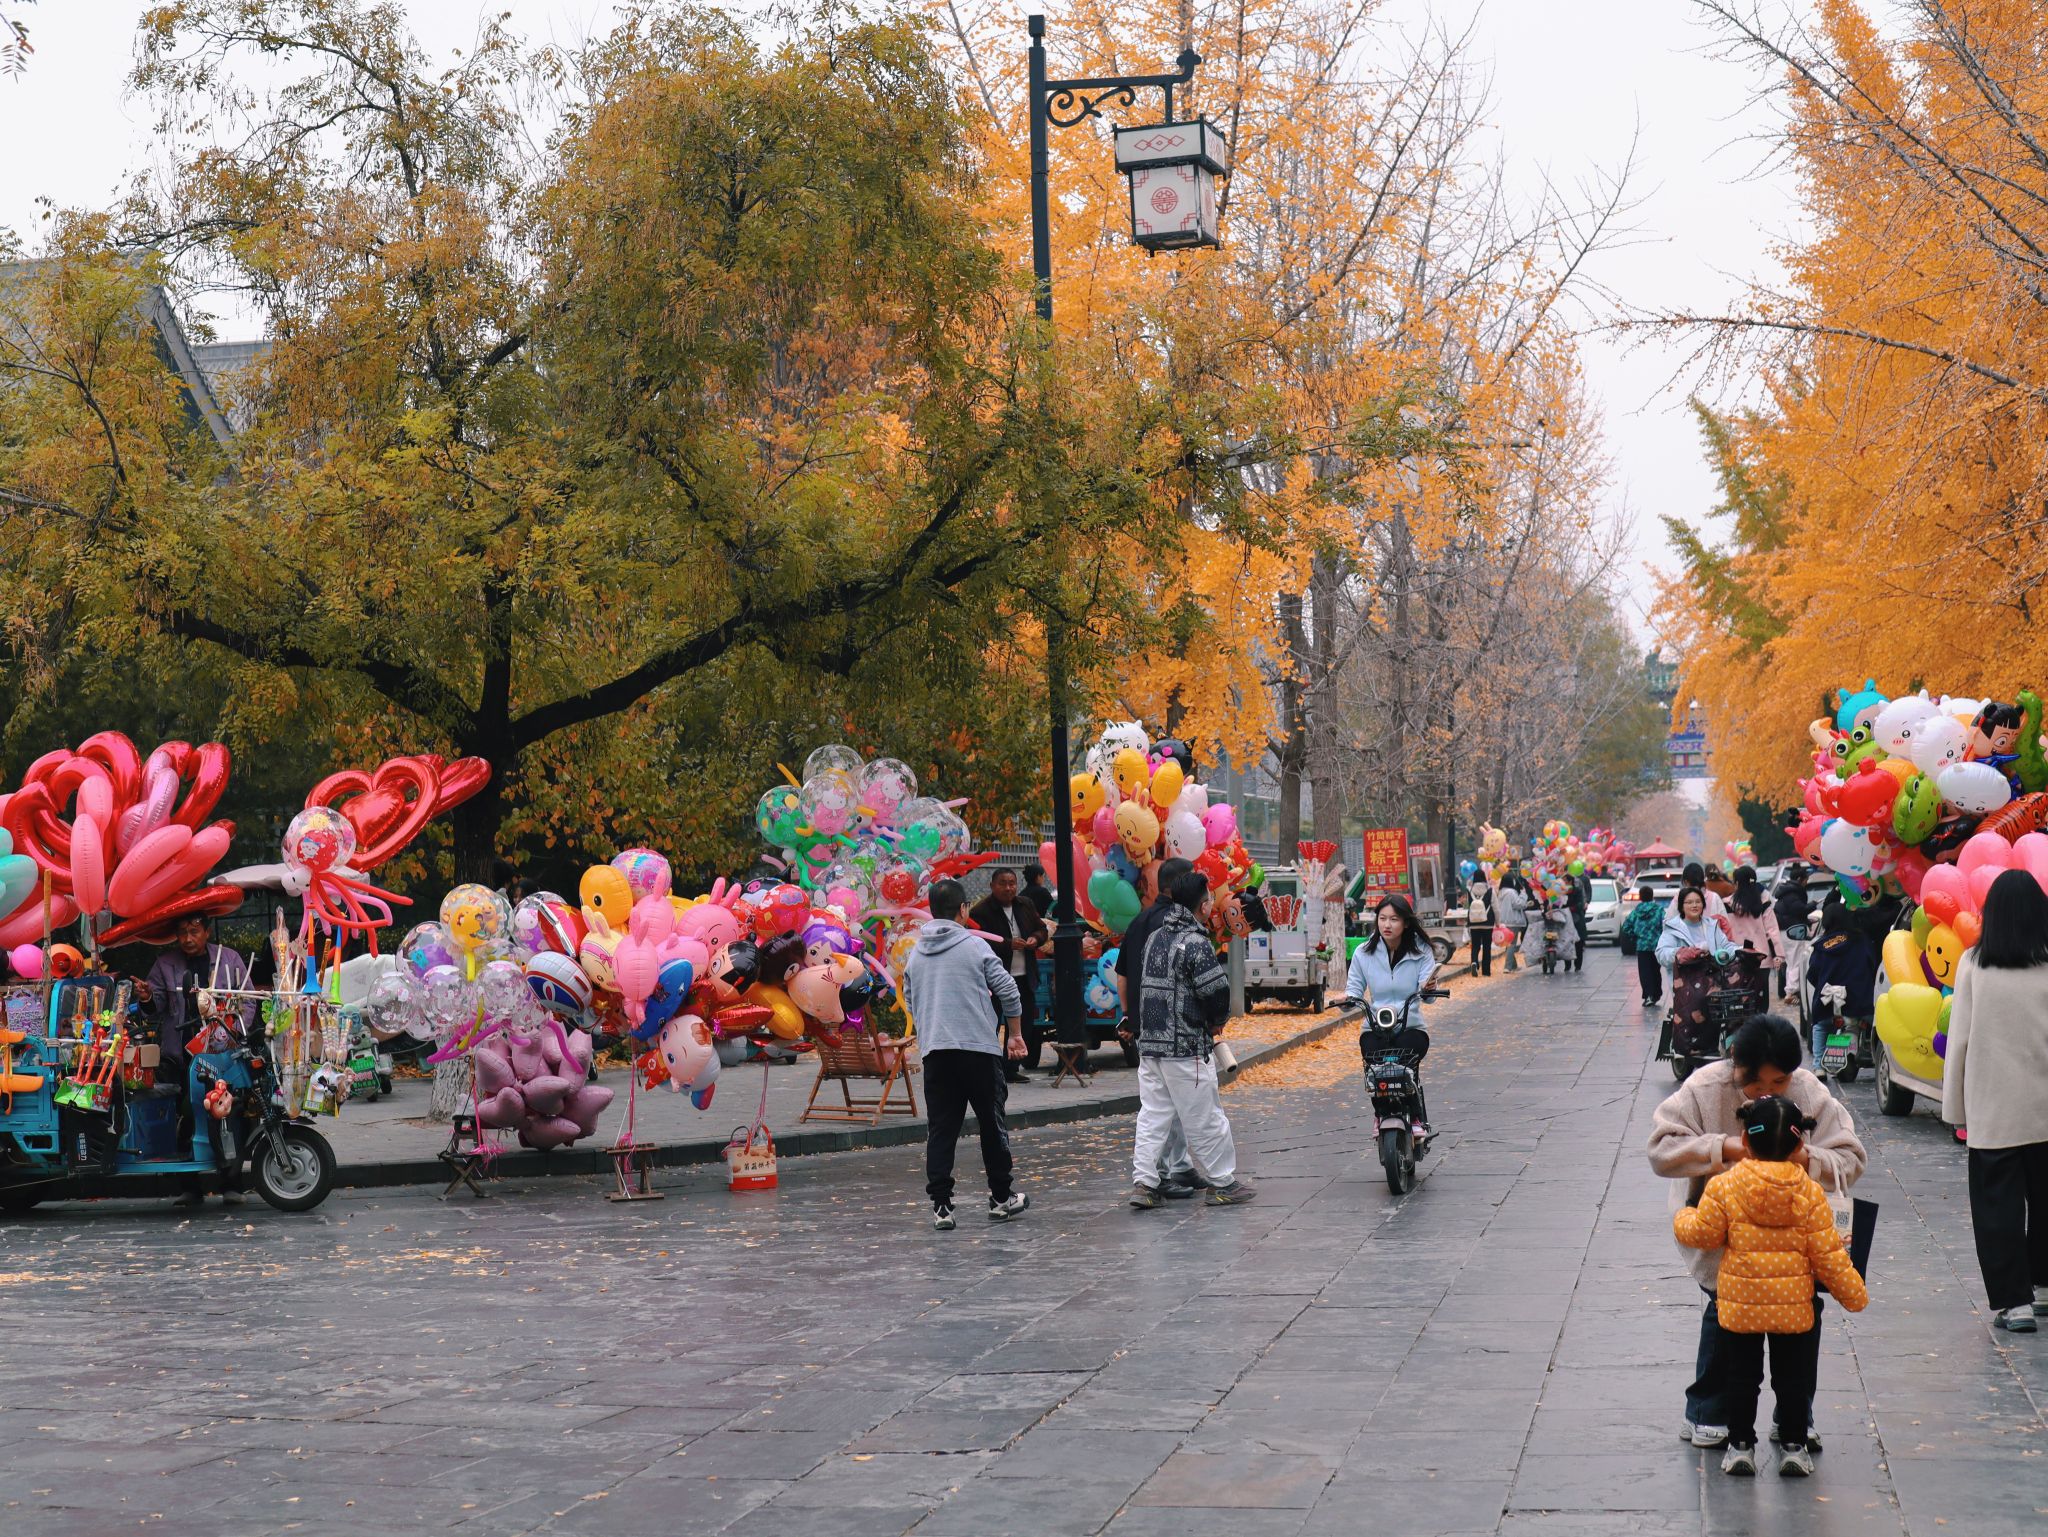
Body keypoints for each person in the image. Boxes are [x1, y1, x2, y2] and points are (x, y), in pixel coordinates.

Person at [1648, 1015, 1866, 1460]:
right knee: (1724, 1311)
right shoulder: (1704, 1087)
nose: (1767, 1092)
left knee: (1801, 1322)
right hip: (1726, 1225)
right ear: (1735, 1064)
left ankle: (1795, 1418)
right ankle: (1709, 1410)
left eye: (1779, 1081)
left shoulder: (1808, 1092)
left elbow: (1850, 1156)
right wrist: (1725, 1149)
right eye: (1754, 1082)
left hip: (1793, 1237)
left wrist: (1804, 1159)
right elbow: (1661, 1149)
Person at [1674, 1094, 1868, 1477]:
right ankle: (1794, 1446)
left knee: (1741, 1378)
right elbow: (1828, 1253)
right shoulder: (1810, 1192)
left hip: (1740, 1307)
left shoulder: (1724, 1186)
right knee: (1792, 1378)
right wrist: (1855, 1295)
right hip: (1793, 1308)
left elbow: (1704, 1234)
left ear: (1744, 1139)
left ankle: (1740, 1447)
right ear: (1799, 1146)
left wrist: (1684, 1216)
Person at [1941, 868, 2048, 1334]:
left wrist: (1954, 1109)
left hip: (1992, 1108)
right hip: (2044, 1107)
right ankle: (2045, 1287)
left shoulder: (1973, 964)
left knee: (1997, 1208)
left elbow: (1960, 1039)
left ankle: (2015, 1302)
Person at [902, 879, 1030, 1230]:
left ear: (932, 911)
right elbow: (1008, 990)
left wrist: (930, 1029)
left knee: (941, 1130)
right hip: (978, 1051)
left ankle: (942, 1206)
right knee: (991, 1124)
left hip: (936, 1053)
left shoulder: (915, 954)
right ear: (962, 910)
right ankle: (1001, 1198)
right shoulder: (974, 946)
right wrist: (1015, 1034)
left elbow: (911, 1000)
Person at [1133, 870, 1253, 1206]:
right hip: (1185, 1046)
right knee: (1205, 1116)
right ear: (1203, 906)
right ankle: (1222, 1182)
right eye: (1210, 899)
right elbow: (1216, 992)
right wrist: (1217, 1022)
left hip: (1151, 1045)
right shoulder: (1197, 943)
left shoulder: (1155, 938)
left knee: (1153, 1115)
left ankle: (1145, 1183)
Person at [135, 915, 258, 1206]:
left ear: (207, 932)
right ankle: (190, 1187)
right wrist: (147, 997)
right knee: (185, 1119)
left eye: (194, 931)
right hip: (180, 1056)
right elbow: (154, 1009)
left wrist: (234, 1031)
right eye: (182, 933)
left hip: (222, 1054)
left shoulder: (229, 959)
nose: (188, 939)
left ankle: (231, 1184)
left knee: (227, 1114)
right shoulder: (165, 965)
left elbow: (248, 1000)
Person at [1118, 857, 1202, 1202]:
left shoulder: (1140, 920)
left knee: (1163, 1102)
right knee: (1165, 1106)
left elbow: (1122, 974)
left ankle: (1178, 1164)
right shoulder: (1174, 927)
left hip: (1146, 1024)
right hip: (1173, 1027)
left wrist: (1128, 1016)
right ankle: (1162, 1172)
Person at [1345, 893, 1439, 1133]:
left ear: (1406, 923)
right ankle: (1380, 1114)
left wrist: (1429, 988)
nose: (1387, 924)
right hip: (1375, 1027)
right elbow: (1353, 990)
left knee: (1407, 1063)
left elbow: (1427, 996)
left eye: (1394, 919)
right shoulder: (1364, 952)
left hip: (1411, 1027)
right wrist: (1346, 999)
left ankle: (1415, 1117)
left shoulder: (1421, 951)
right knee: (1374, 1065)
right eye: (1382, 918)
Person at [970, 868, 1050, 1084]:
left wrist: (1035, 938)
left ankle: (1011, 1067)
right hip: (994, 979)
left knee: (1023, 1022)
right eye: (1003, 883)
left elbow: (1042, 929)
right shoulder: (981, 911)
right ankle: (989, 1068)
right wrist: (1007, 944)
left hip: (1024, 975)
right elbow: (977, 940)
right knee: (991, 1022)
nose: (1008, 888)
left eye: (1012, 883)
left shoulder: (1025, 904)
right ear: (992, 886)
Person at [1801, 896, 1875, 1065]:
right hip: (1859, 1003)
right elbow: (1872, 964)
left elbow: (1812, 974)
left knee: (1820, 1027)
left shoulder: (1820, 947)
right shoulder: (1861, 941)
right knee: (1879, 1027)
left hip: (1827, 1003)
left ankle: (1818, 1065)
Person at [1718, 867, 1783, 975]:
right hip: (1761, 958)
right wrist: (1778, 955)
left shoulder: (1725, 905)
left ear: (1736, 883)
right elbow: (1772, 931)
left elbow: (1720, 932)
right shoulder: (1764, 904)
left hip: (1734, 958)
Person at [1771, 862, 1814, 1002]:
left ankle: (1790, 991)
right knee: (1795, 962)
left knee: (1791, 962)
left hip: (1785, 932)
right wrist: (1813, 905)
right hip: (1793, 933)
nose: (1806, 883)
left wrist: (1807, 921)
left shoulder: (1786, 892)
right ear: (1800, 879)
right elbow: (1800, 910)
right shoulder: (1793, 894)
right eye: (1806, 880)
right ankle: (1791, 992)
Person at [1621, 883, 1667, 1009]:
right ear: (1652, 896)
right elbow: (1666, 925)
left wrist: (1635, 937)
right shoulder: (1659, 910)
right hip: (1656, 946)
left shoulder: (1636, 912)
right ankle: (1656, 994)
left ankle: (1648, 995)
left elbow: (1626, 927)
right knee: (1655, 971)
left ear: (1640, 897)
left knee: (1645, 972)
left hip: (1642, 947)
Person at [1494, 875, 1528, 973]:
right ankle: (1508, 967)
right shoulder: (1511, 892)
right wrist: (1523, 895)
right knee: (1512, 944)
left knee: (1508, 943)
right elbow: (1518, 904)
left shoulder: (1500, 892)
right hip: (1513, 921)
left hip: (1503, 921)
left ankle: (1513, 966)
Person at [1463, 878, 1495, 977]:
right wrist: (1498, 922)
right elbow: (1496, 907)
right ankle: (1486, 971)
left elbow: (1467, 906)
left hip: (1474, 923)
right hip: (1487, 923)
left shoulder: (1469, 891)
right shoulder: (1490, 891)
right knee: (1487, 947)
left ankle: (1474, 962)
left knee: (1475, 945)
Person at [1564, 871, 1590, 971]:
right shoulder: (1561, 892)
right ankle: (1567, 964)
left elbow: (1581, 904)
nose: (1564, 883)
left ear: (1570, 882)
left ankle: (1578, 965)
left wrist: (1572, 908)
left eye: (1565, 881)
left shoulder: (1577, 890)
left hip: (1577, 920)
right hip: (1565, 920)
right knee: (1566, 943)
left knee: (1578, 944)